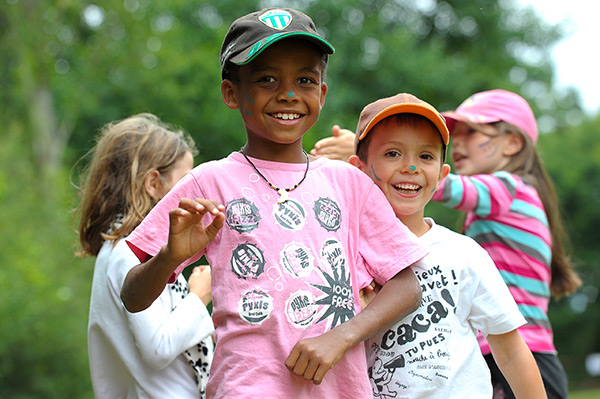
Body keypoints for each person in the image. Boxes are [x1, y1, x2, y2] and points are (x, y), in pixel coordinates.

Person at [119, 8, 428, 399]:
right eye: (266, 79)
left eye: (305, 80)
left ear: (322, 93)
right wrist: (167, 257)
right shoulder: (208, 182)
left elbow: (406, 287)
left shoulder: (349, 183)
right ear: (232, 93)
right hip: (245, 388)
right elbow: (132, 297)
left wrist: (341, 337)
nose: (288, 94)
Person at [311, 89, 581, 399]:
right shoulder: (344, 249)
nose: (411, 166)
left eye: (471, 132)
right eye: (393, 153)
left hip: (520, 346)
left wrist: (355, 158)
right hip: (481, 344)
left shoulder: (510, 189)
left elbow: (452, 189)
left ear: (512, 143)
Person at [76, 113, 214, 399]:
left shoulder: (123, 249)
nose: (193, 191)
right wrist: (199, 296)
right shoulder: (128, 253)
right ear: (154, 184)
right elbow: (158, 347)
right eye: (185, 181)